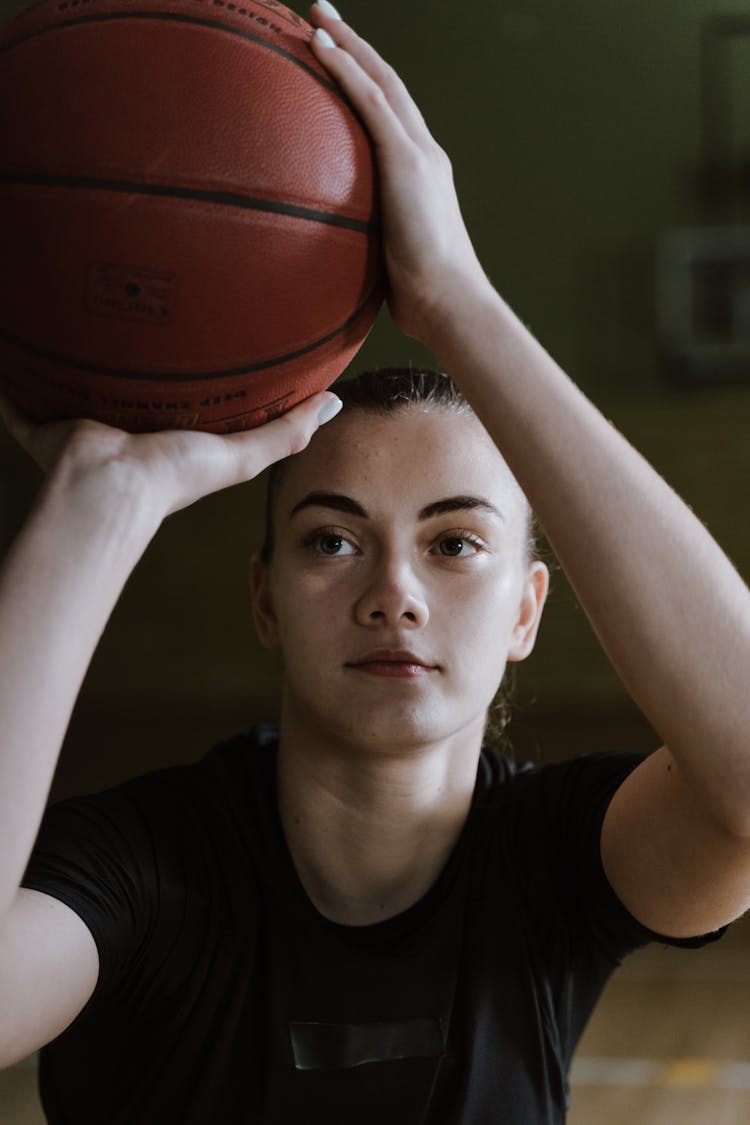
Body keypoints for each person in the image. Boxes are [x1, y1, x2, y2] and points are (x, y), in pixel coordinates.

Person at [1, 3, 749, 1122]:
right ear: (264, 597)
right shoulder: (144, 869)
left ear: (526, 609)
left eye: (456, 545)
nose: (393, 593)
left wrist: (459, 300)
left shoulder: (554, 866)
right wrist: (102, 499)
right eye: (332, 540)